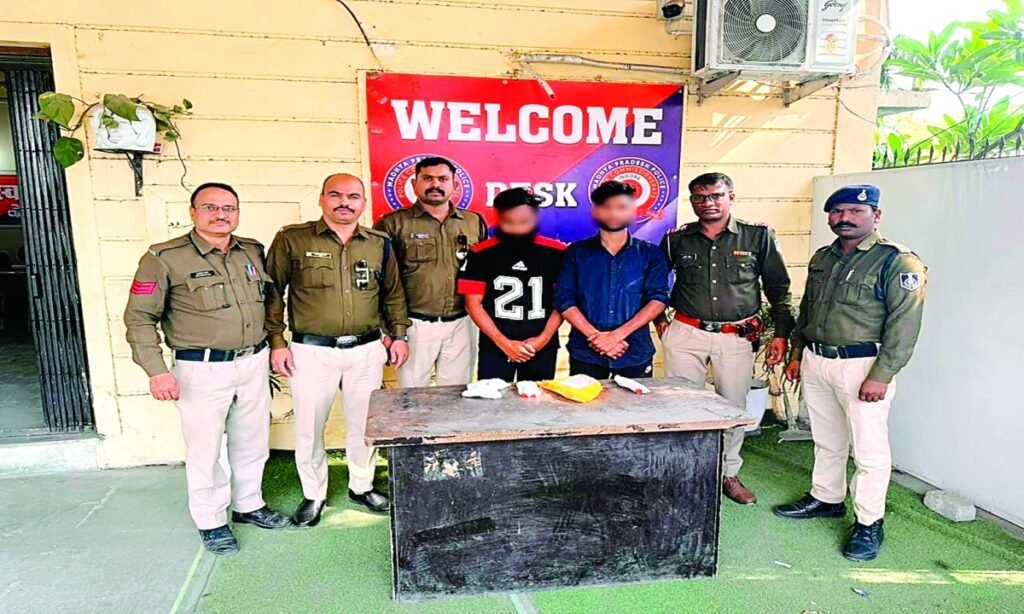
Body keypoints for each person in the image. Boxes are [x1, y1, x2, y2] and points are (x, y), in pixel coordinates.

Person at [124, 182, 290, 556]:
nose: (221, 215)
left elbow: (270, 303)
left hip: (253, 360)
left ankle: (249, 504)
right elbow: (139, 318)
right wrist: (156, 370)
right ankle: (211, 521)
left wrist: (275, 344)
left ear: (238, 212)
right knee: (205, 448)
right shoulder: (164, 258)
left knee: (252, 439)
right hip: (201, 368)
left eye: (229, 208)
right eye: (211, 207)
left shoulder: (251, 250)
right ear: (193, 212)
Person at [774, 184, 927, 562]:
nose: (844, 218)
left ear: (876, 215)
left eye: (855, 211)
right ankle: (827, 498)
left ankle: (869, 522)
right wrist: (797, 353)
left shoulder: (897, 262)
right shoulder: (823, 257)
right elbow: (808, 310)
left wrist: (882, 374)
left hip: (862, 366)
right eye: (837, 211)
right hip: (817, 360)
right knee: (827, 438)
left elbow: (904, 325)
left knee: (869, 451)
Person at [265, 174, 410, 524]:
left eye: (353, 196)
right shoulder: (292, 238)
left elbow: (392, 293)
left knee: (364, 423)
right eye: (336, 195)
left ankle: (362, 485)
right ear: (322, 199)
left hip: (366, 349)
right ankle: (314, 493)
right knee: (309, 425)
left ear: (363, 202)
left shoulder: (378, 243)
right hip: (311, 351)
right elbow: (272, 293)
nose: (344, 202)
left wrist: (399, 335)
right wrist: (277, 342)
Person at [655, 172, 795, 505]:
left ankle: (727, 473)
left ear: (731, 196)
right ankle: (685, 473)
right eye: (700, 197)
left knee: (732, 407)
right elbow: (654, 283)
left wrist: (782, 334)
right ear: (692, 201)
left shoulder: (757, 236)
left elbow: (778, 288)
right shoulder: (676, 240)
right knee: (681, 407)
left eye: (716, 195)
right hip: (686, 334)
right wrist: (661, 321)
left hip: (735, 335)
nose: (708, 203)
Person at [373, 157, 488, 387]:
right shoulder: (392, 224)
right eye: (427, 178)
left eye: (443, 179)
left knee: (456, 395)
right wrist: (391, 331)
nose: (435, 184)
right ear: (414, 183)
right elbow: (382, 282)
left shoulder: (473, 222)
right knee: (413, 397)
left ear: (455, 185)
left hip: (463, 324)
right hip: (414, 325)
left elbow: (484, 273)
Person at [554, 181, 669, 379]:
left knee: (634, 400)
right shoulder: (576, 252)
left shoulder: (650, 254)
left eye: (621, 207)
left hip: (633, 351)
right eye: (606, 207)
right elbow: (564, 298)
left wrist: (615, 336)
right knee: (585, 399)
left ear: (633, 210)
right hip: (586, 352)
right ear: (594, 210)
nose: (613, 213)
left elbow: (658, 299)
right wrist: (594, 336)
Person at [457, 188, 566, 381]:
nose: (516, 229)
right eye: (509, 222)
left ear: (535, 218)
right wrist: (504, 343)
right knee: (492, 396)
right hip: (495, 344)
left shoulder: (557, 252)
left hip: (541, 344)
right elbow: (472, 304)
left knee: (537, 397)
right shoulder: (481, 253)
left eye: (524, 222)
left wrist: (542, 339)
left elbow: (563, 302)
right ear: (498, 218)